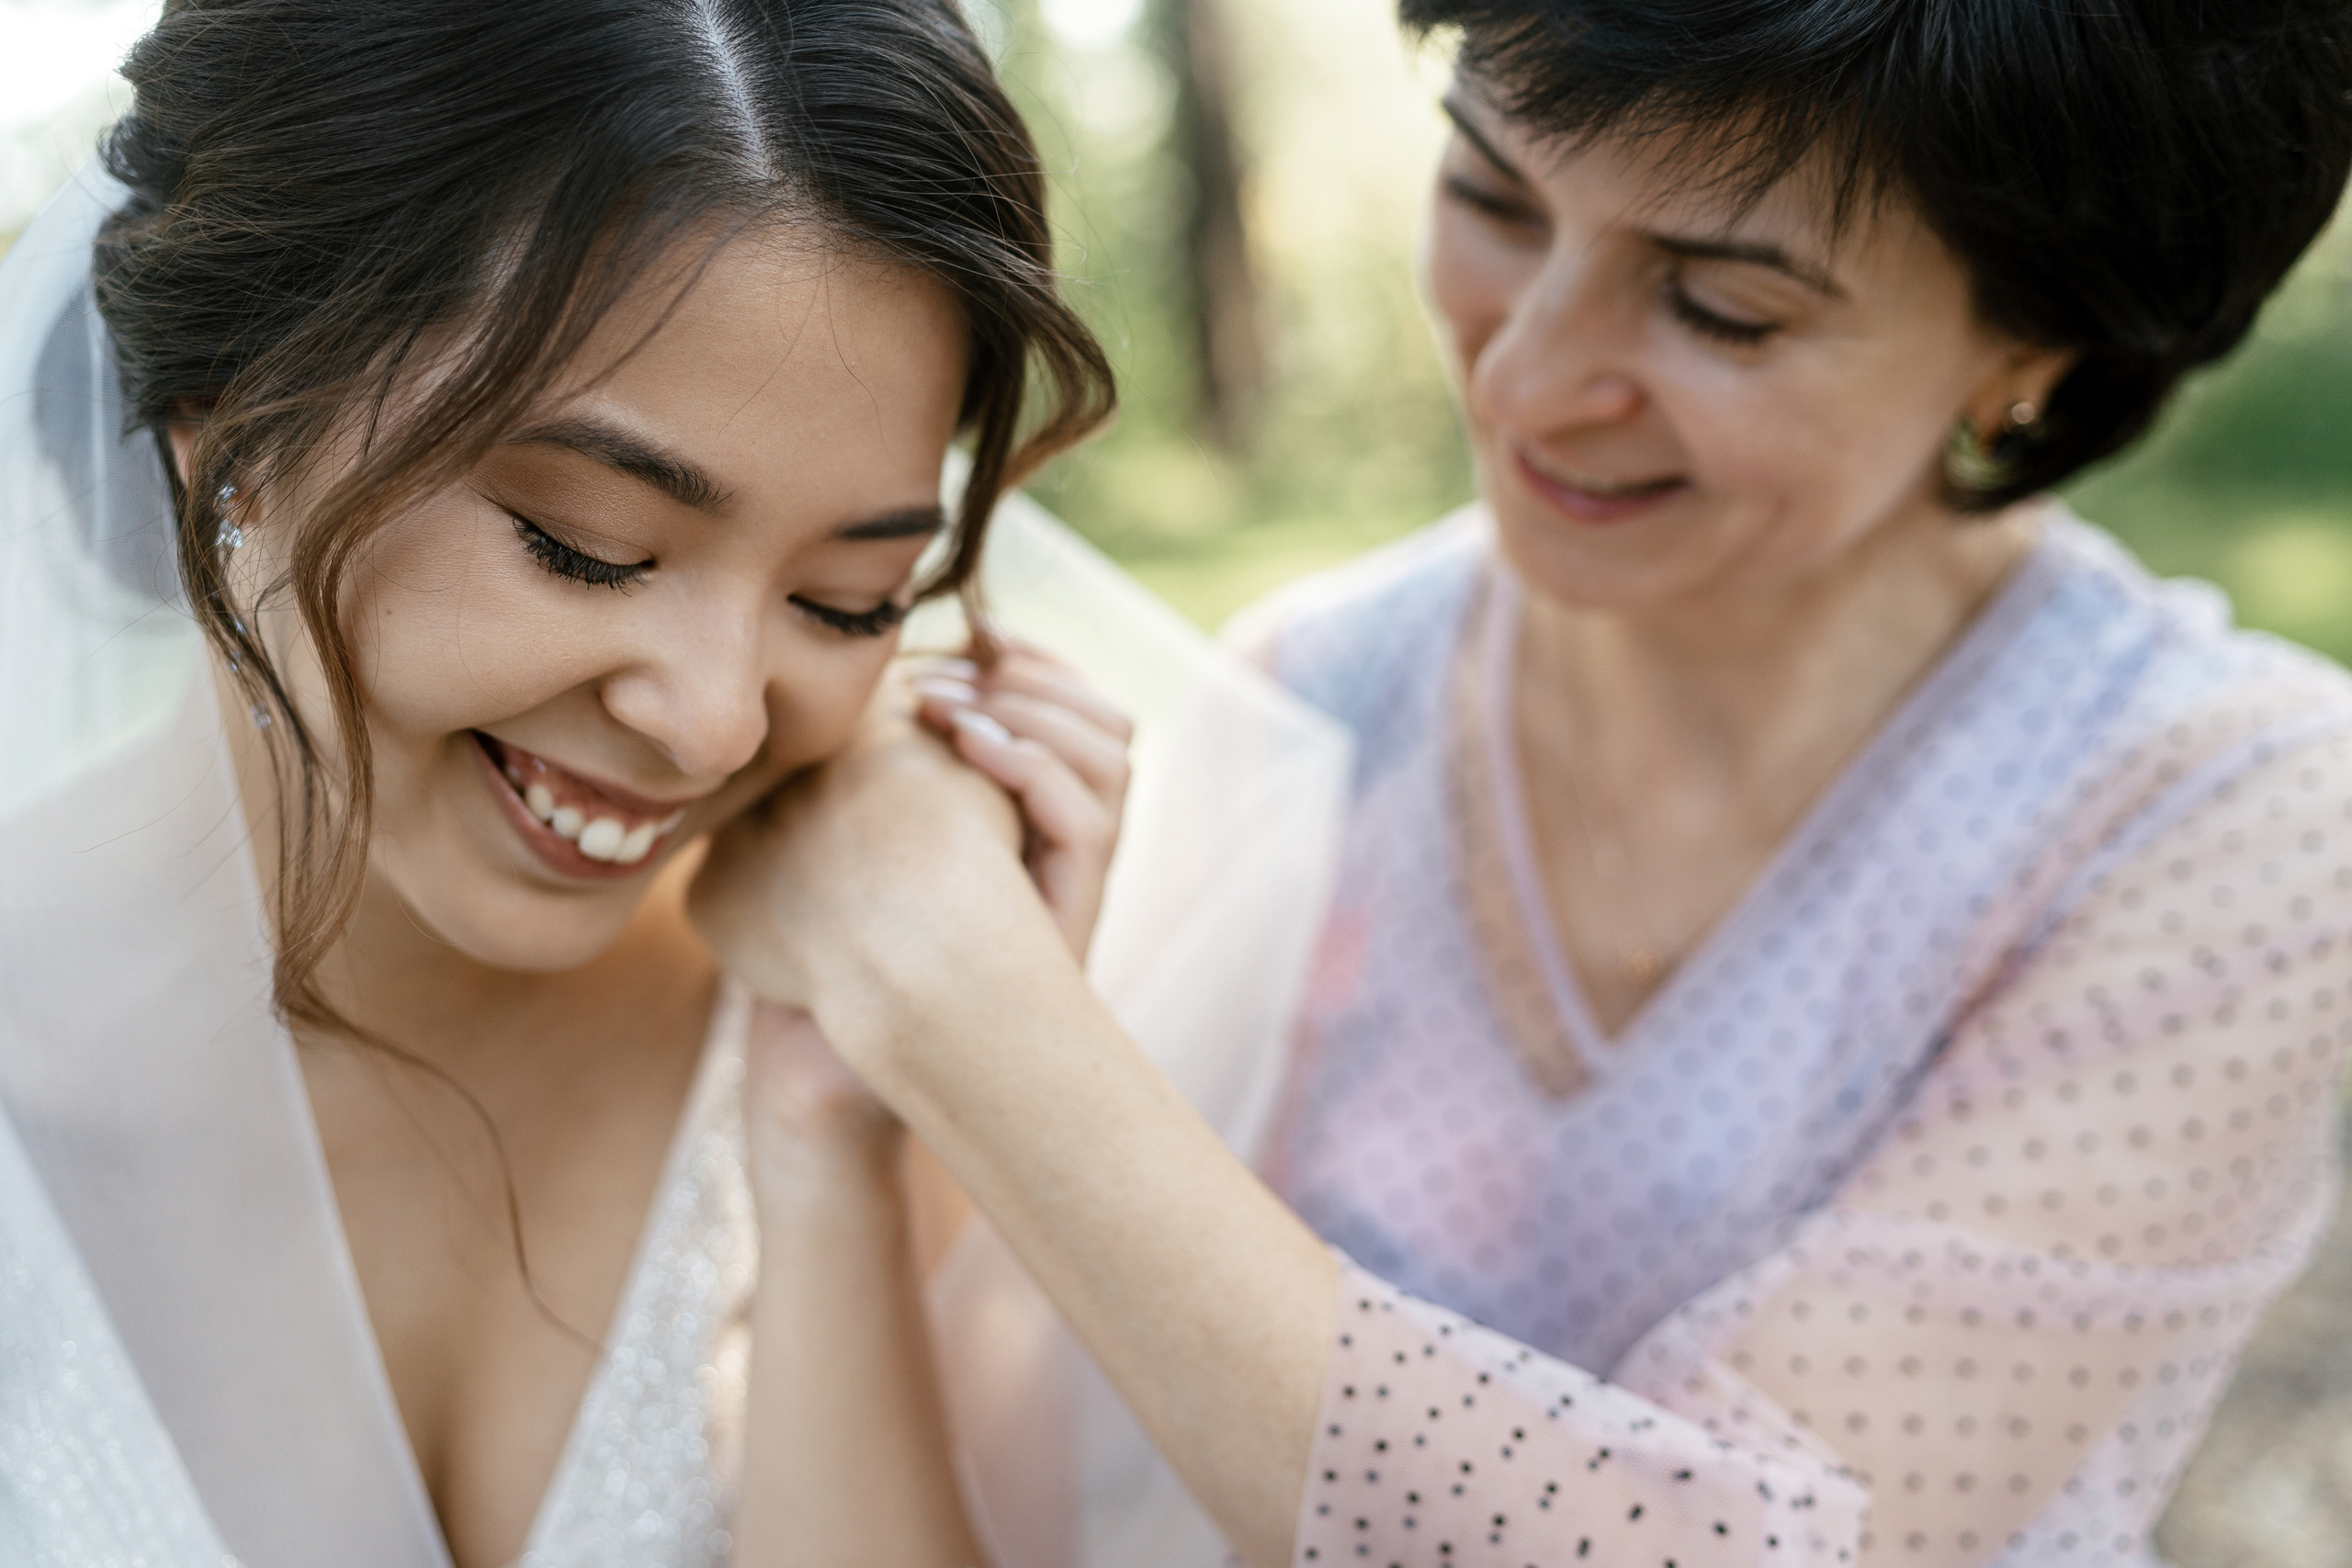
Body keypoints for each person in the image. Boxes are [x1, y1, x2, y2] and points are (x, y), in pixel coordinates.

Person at [693, 2, 2352, 1564]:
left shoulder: (2228, 824)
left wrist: (958, 992)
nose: (1527, 378)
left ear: (2036, 347)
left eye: (1722, 308)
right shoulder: (1314, 704)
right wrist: (833, 1120)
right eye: (1492, 196)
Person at [0, 2, 1347, 1564]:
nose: (715, 727)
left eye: (848, 599)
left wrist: (833, 1130)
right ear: (225, 421)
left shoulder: (867, 1024)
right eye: (590, 545)